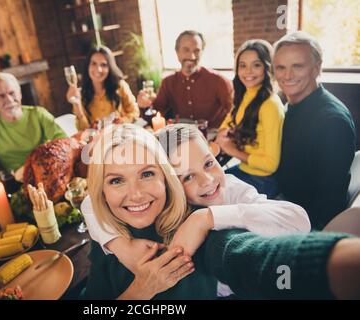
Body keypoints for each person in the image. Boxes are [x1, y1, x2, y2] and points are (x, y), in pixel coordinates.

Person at [83, 123, 360, 299]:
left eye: (208, 163)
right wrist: (120, 245)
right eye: (187, 177)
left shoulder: (229, 191)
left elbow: (293, 224)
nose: (207, 180)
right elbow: (90, 203)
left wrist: (207, 218)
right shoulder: (133, 222)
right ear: (170, 183)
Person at [273, 31, 356, 229]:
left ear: (317, 68)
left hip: (302, 220)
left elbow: (329, 204)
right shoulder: (291, 106)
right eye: (280, 67)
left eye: (297, 66)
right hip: (282, 201)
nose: (287, 75)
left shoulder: (332, 122)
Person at [216, 40, 284, 198]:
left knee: (203, 198)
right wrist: (222, 134)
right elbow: (226, 123)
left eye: (256, 65)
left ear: (267, 67)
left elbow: (270, 165)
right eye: (243, 65)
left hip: (262, 180)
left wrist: (231, 149)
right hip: (244, 169)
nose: (248, 72)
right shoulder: (245, 94)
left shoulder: (270, 106)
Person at [137, 30, 233, 128]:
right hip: (182, 137)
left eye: (197, 51)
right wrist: (143, 106)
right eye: (186, 50)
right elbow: (155, 115)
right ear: (177, 52)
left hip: (212, 137)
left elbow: (236, 114)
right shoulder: (168, 82)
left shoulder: (219, 81)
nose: (192, 56)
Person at [66, 46, 139, 130]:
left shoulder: (120, 86)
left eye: (103, 65)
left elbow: (134, 112)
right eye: (94, 64)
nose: (98, 69)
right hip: (98, 140)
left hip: (121, 135)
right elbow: (83, 130)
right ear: (88, 66)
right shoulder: (80, 95)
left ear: (110, 67)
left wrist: (122, 121)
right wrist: (77, 105)